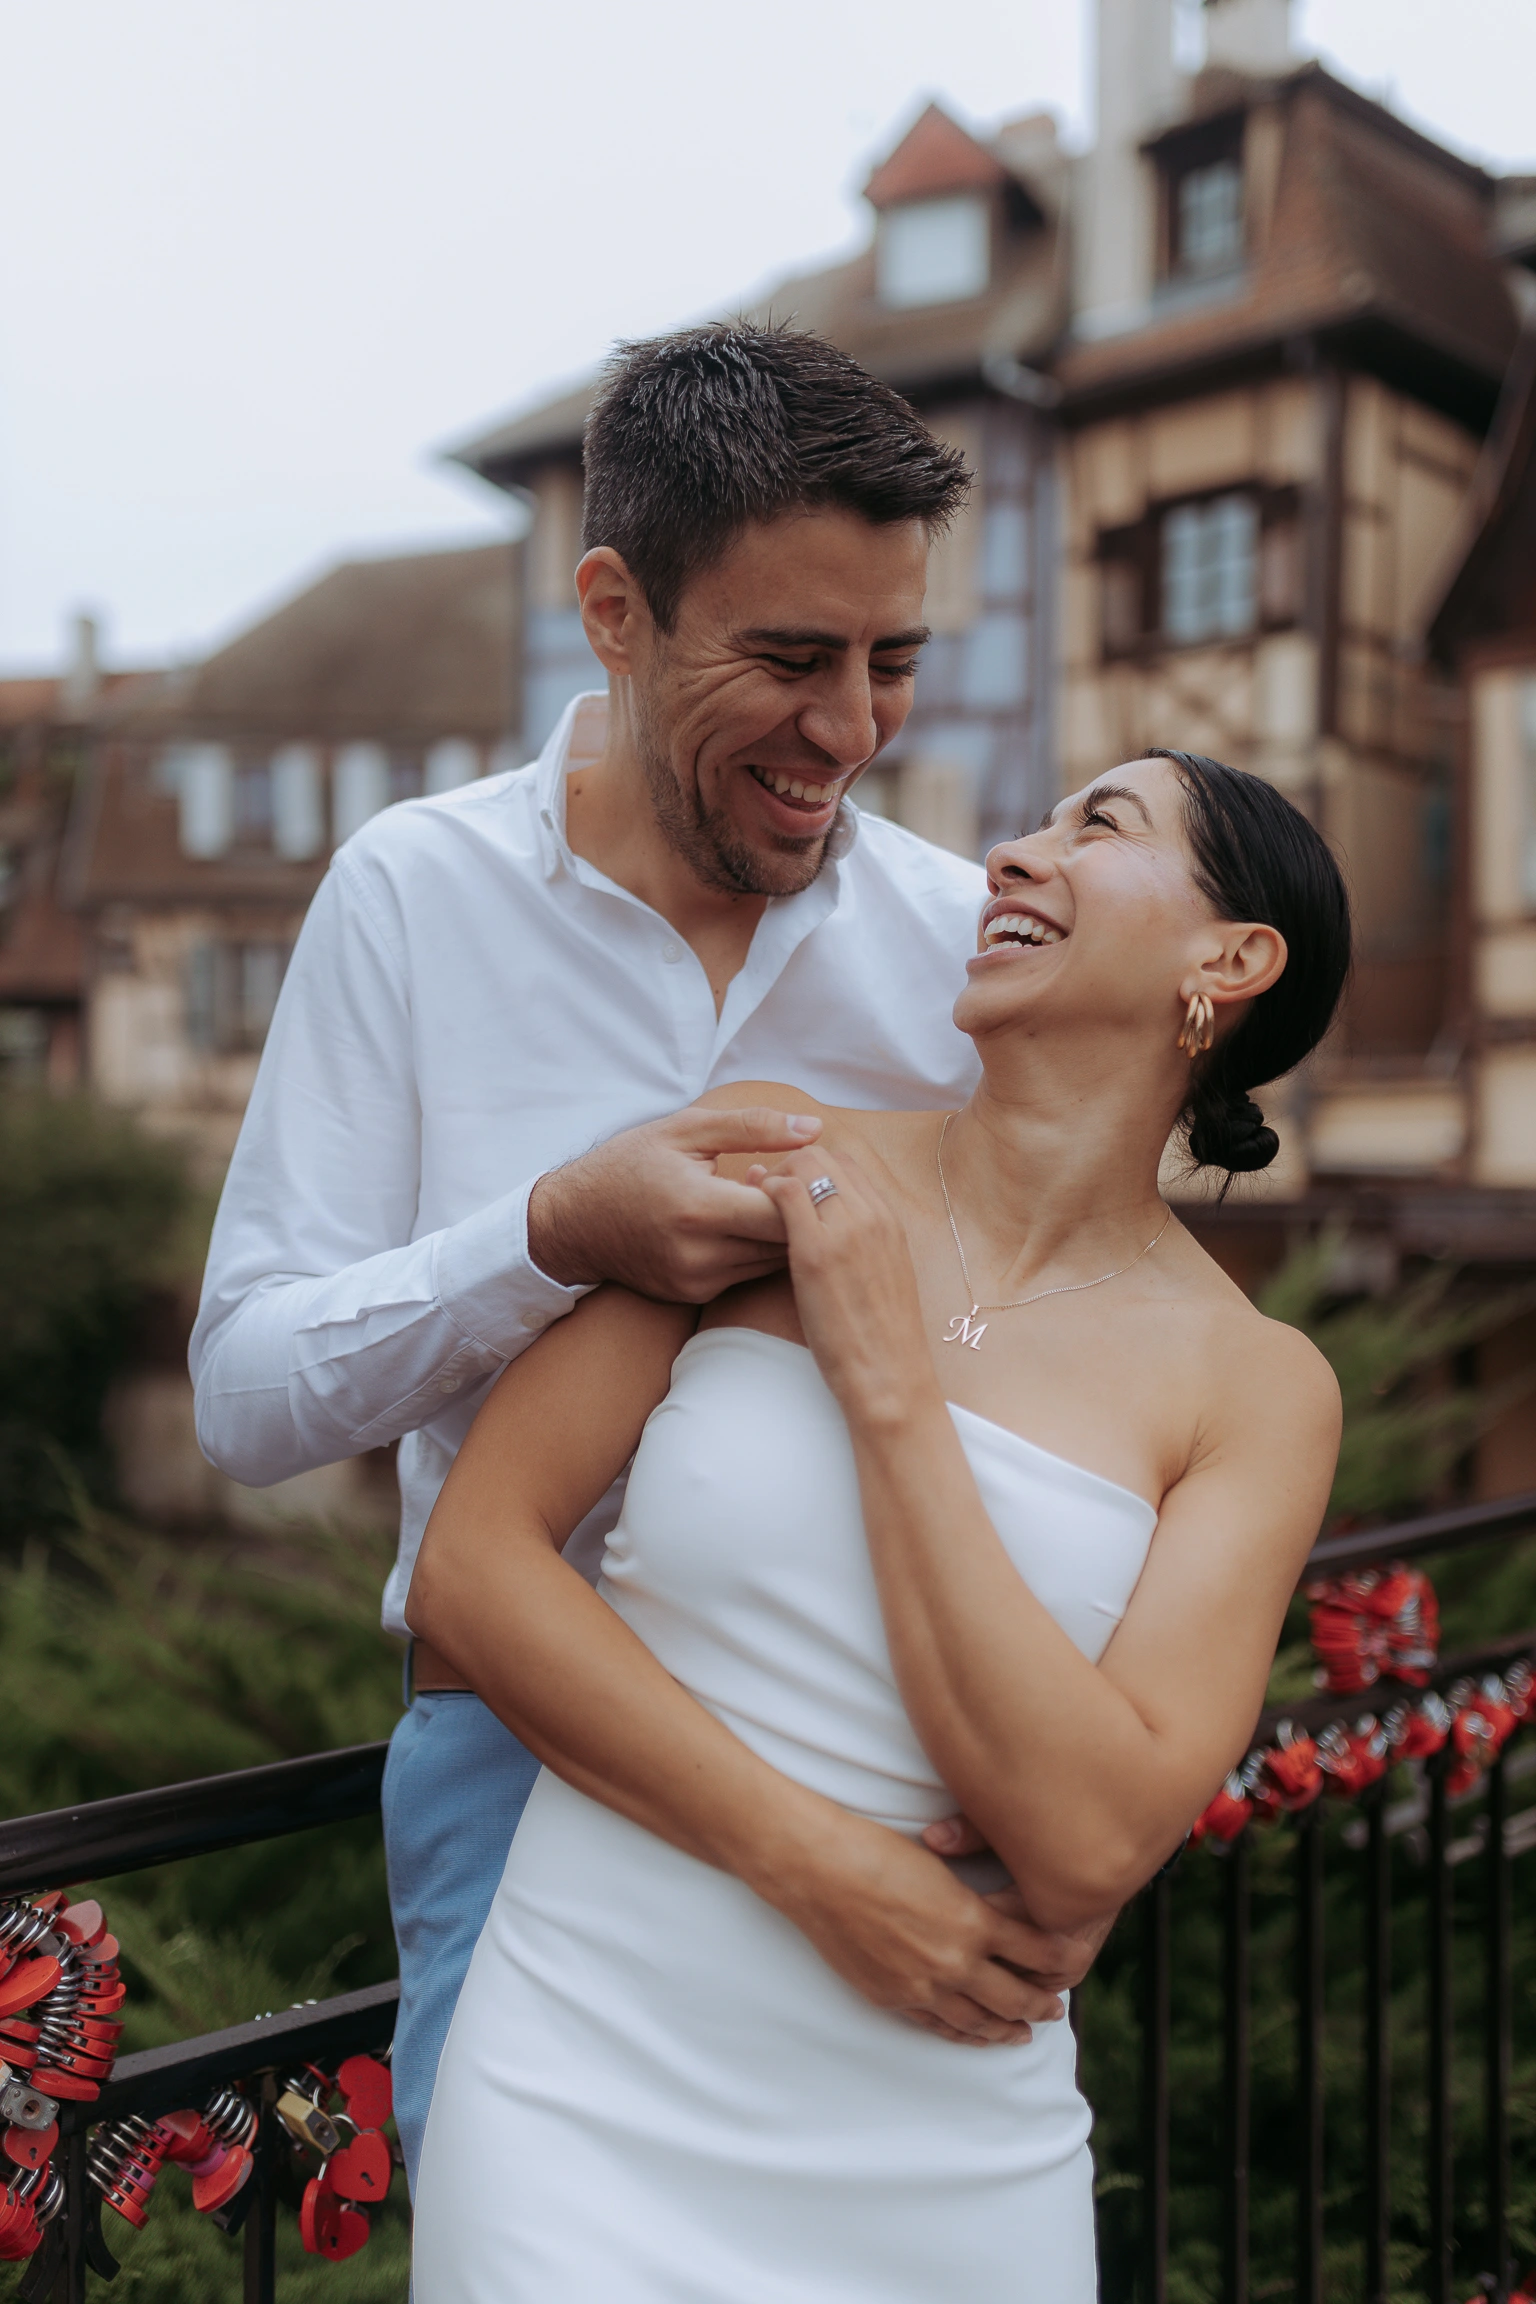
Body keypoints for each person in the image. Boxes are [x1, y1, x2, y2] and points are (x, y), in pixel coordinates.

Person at [188, 321, 1112, 2187]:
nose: (851, 732)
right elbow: (244, 1398)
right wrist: (546, 1237)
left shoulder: (959, 947)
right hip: (516, 1764)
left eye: (894, 661)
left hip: (892, 1752)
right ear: (614, 609)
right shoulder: (410, 895)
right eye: (787, 659)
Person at [405, 747, 1351, 2301]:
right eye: (1034, 823)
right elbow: (475, 1568)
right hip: (584, 2084)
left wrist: (889, 1389)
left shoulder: (1257, 1389)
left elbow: (1097, 1838)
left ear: (1231, 962)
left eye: (1096, 828)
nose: (1014, 857)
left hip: (948, 2155)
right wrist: (830, 1872)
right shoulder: (779, 1155)